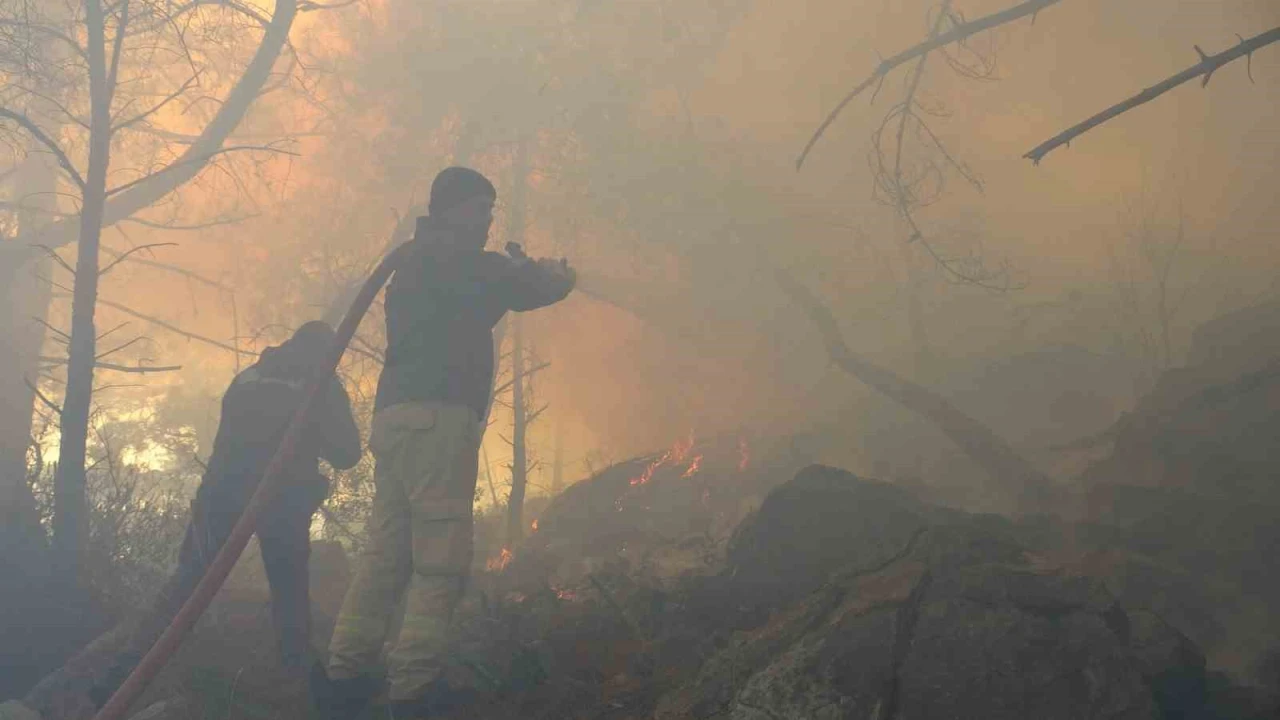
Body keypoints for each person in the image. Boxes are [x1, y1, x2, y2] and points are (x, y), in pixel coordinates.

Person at [318, 166, 576, 719]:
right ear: (454, 209)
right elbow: (520, 288)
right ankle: (413, 690)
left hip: (398, 422)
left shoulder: (419, 262)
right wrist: (551, 275)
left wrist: (516, 273)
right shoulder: (454, 258)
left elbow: (482, 298)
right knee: (440, 560)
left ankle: (346, 675)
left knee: (386, 555)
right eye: (482, 208)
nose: (488, 220)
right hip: (437, 424)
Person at [91, 321, 362, 705]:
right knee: (289, 593)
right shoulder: (321, 383)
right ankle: (303, 688)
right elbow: (348, 454)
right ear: (328, 353)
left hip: (220, 496)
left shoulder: (249, 378)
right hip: (280, 501)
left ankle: (121, 674)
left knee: (186, 585)